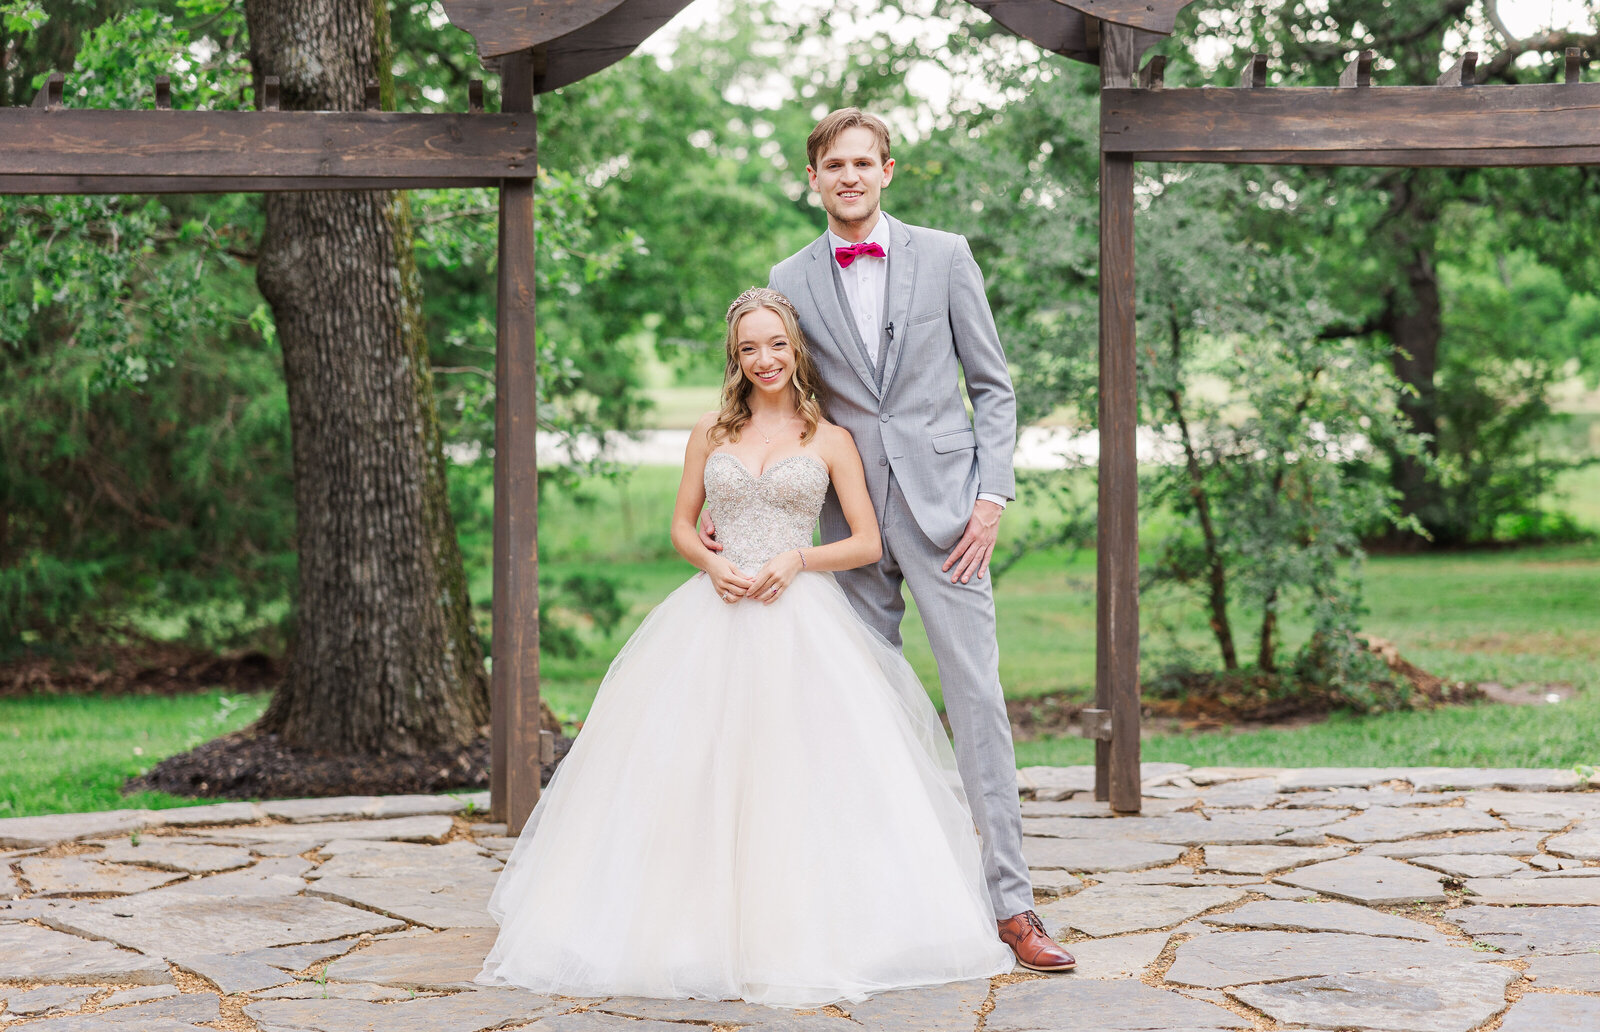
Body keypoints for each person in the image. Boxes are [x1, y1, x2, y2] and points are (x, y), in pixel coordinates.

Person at [476, 287, 1016, 1008]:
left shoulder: (829, 438)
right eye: (749, 348)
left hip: (802, 618)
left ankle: (808, 923)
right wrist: (712, 564)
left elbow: (865, 541)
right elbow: (680, 525)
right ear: (735, 358)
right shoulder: (710, 431)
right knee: (694, 767)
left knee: (805, 770)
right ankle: (690, 925)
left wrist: (796, 560)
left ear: (797, 348)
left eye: (776, 344)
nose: (765, 359)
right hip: (715, 614)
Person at [701, 108, 1074, 972]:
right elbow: (775, 391)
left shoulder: (946, 256)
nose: (850, 177)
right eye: (834, 165)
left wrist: (991, 494)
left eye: (864, 163)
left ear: (888, 171)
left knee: (976, 702)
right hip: (842, 521)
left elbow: (994, 386)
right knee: (852, 716)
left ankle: (1012, 907)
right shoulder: (787, 274)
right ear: (814, 179)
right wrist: (729, 487)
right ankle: (873, 899)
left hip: (951, 521)